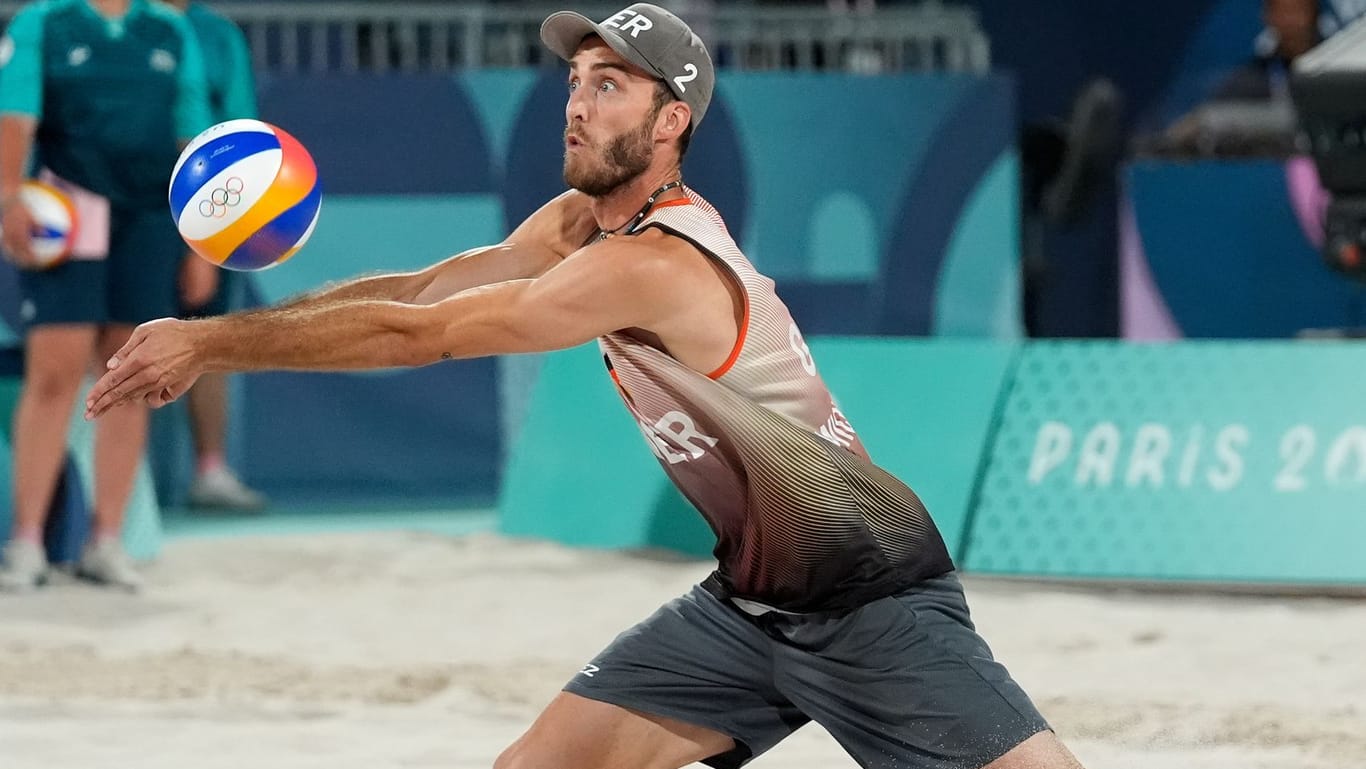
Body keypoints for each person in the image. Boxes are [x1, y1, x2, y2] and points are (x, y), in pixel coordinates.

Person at [85, 4, 1085, 767]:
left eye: (610, 84)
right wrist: (215, 334)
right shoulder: (578, 226)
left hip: (871, 598)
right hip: (748, 606)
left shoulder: (654, 263)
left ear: (671, 121)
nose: (577, 99)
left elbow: (421, 336)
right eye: (576, 78)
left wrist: (211, 342)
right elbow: (429, 287)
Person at [0, 0, 211, 591]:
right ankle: (26, 542)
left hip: (148, 219)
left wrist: (199, 245)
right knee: (55, 375)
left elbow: (192, 136)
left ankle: (107, 540)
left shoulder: (169, 29)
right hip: (71, 209)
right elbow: (14, 117)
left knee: (131, 375)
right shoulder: (43, 21)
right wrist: (9, 196)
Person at [162, 0, 267, 511]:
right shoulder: (124, 25)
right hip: (128, 202)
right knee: (109, 332)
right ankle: (118, 482)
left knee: (206, 334)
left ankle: (210, 469)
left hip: (207, 203)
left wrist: (209, 231)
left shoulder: (218, 36)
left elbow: (241, 133)